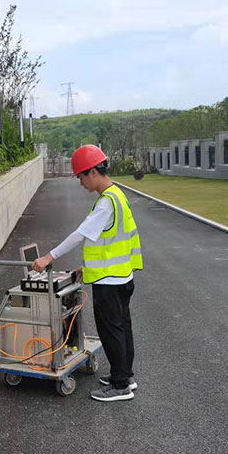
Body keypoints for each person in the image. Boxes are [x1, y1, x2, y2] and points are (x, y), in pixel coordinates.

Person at [31, 144, 142, 402]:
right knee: (122, 327)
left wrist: (49, 256)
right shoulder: (117, 195)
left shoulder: (106, 203)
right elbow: (107, 242)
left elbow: (80, 235)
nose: (80, 182)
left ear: (93, 172)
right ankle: (123, 376)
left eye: (81, 176)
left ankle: (120, 386)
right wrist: (87, 268)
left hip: (110, 282)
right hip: (121, 276)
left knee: (112, 330)